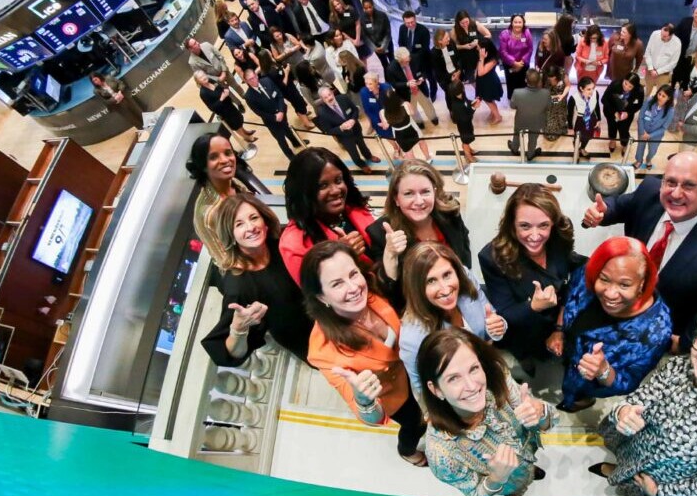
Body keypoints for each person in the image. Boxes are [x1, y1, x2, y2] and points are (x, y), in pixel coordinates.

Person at [592, 302, 697, 496]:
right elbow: (642, 396)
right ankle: (617, 468)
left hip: (651, 477)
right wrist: (624, 411)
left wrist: (660, 492)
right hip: (633, 444)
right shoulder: (678, 366)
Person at [582, 150, 697, 337]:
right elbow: (622, 205)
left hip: (652, 332)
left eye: (689, 186)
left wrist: (682, 343)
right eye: (671, 182)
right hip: (612, 303)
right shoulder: (650, 190)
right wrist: (603, 212)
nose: (676, 193)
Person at [301, 241, 428, 466]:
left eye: (353, 274)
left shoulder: (371, 291)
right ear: (321, 297)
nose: (353, 287)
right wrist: (364, 399)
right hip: (394, 396)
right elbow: (370, 417)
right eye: (337, 284)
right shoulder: (323, 351)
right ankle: (406, 451)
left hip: (413, 370)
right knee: (415, 424)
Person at [418, 329, 556, 496]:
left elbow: (546, 422)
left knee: (528, 469)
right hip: (508, 483)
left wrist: (539, 413)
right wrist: (497, 478)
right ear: (436, 389)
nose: (471, 385)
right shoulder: (441, 454)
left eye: (474, 368)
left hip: (528, 451)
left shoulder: (498, 378)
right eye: (453, 378)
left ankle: (530, 471)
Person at [551, 236, 673, 411]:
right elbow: (570, 295)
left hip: (591, 382)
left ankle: (580, 400)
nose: (610, 294)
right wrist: (559, 329)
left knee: (579, 395)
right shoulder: (588, 273)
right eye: (605, 279)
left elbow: (628, 381)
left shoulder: (656, 331)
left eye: (624, 285)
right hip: (569, 355)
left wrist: (603, 371)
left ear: (642, 284)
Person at [479, 184, 587, 365]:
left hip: (559, 318)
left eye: (543, 225)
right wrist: (534, 307)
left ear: (553, 222)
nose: (535, 236)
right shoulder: (492, 257)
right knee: (531, 358)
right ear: (512, 225)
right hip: (525, 330)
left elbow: (569, 264)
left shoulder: (559, 235)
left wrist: (559, 327)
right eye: (525, 226)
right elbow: (505, 311)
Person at [201, 194, 312, 365]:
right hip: (314, 346)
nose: (251, 227)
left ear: (265, 221)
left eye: (254, 218)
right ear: (231, 234)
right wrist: (238, 329)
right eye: (239, 224)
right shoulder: (239, 286)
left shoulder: (282, 242)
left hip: (340, 320)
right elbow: (228, 354)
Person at [397, 242, 506, 395]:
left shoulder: (465, 278)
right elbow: (423, 391)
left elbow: (491, 318)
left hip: (490, 368)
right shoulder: (413, 338)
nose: (445, 288)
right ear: (417, 288)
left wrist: (497, 328)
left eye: (447, 275)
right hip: (463, 395)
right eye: (431, 281)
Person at [366, 159, 472, 292]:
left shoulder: (449, 211)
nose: (419, 201)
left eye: (425, 192)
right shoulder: (380, 233)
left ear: (435, 191)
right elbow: (392, 293)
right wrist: (390, 255)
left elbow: (464, 244)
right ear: (396, 199)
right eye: (408, 193)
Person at [279, 148, 376, 283]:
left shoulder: (353, 207)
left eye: (338, 180)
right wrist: (339, 255)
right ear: (303, 191)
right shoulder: (294, 243)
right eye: (323, 185)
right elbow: (315, 293)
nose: (336, 190)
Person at [188, 131, 256, 262]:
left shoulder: (232, 183)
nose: (225, 160)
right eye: (213, 157)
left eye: (228, 153)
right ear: (203, 165)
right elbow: (224, 259)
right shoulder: (209, 213)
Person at [240, 68, 303, 159]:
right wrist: (274, 117)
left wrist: (281, 111)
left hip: (282, 113)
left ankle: (296, 143)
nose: (254, 80)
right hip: (271, 121)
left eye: (254, 77)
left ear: (256, 75)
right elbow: (259, 112)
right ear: (246, 81)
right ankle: (291, 157)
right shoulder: (249, 97)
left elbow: (279, 95)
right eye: (250, 79)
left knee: (287, 128)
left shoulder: (267, 81)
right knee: (281, 140)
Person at [314, 85, 376, 170]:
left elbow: (355, 110)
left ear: (332, 93)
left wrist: (353, 120)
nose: (329, 98)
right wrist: (341, 128)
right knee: (353, 152)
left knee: (362, 145)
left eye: (329, 94)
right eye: (325, 97)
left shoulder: (343, 98)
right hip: (344, 137)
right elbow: (327, 130)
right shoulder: (322, 113)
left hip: (356, 129)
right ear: (322, 99)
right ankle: (361, 165)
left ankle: (368, 156)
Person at [388, 46, 439, 128]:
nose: (408, 63)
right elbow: (394, 84)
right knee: (413, 110)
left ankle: (433, 118)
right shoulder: (391, 69)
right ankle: (419, 123)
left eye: (408, 60)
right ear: (398, 61)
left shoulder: (415, 58)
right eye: (405, 62)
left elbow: (425, 70)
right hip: (407, 93)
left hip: (420, 88)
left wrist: (422, 77)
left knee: (427, 105)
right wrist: (407, 84)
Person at [509, 68, 551, 160]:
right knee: (533, 138)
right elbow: (548, 107)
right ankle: (530, 153)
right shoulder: (546, 93)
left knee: (517, 134)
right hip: (537, 120)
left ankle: (514, 148)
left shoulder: (517, 92)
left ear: (525, 80)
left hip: (521, 120)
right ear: (539, 80)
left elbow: (512, 106)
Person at [602, 73, 644, 156]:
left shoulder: (639, 91)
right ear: (623, 79)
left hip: (627, 113)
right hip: (611, 110)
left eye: (630, 86)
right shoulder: (615, 84)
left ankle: (625, 144)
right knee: (612, 126)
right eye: (625, 83)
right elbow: (604, 99)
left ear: (635, 87)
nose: (626, 88)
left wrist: (628, 113)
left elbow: (638, 105)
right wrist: (614, 112)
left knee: (624, 130)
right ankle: (612, 140)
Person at [633, 85, 673, 171]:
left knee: (652, 150)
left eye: (663, 96)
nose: (660, 97)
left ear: (668, 98)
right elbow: (640, 117)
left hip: (656, 135)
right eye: (659, 94)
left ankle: (648, 160)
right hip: (643, 130)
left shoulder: (670, 110)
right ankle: (638, 160)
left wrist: (650, 135)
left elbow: (664, 127)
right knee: (640, 147)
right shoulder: (649, 101)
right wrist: (642, 131)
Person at [381, 86, 426, 160]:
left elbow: (386, 126)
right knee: (422, 142)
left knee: (408, 152)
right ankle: (428, 158)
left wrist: (383, 124)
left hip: (398, 134)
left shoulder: (382, 112)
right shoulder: (405, 105)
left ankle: (416, 166)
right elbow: (412, 113)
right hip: (411, 129)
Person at [444, 75, 479, 164]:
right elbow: (465, 117)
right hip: (463, 125)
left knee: (468, 138)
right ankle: (468, 156)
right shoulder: (456, 106)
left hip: (467, 123)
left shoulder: (461, 95)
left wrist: (473, 102)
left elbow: (466, 102)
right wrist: (474, 108)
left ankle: (469, 149)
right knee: (465, 141)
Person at [497, 14, 535, 97]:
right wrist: (514, 63)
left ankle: (522, 98)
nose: (517, 24)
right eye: (515, 22)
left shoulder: (527, 33)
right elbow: (503, 51)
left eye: (520, 22)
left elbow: (530, 49)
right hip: (510, 64)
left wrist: (522, 62)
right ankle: (512, 99)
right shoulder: (504, 34)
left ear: (523, 23)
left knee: (523, 82)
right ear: (511, 23)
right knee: (511, 82)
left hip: (523, 64)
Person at [640, 23, 681, 94]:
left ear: (671, 35)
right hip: (650, 71)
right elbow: (648, 52)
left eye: (664, 36)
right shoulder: (655, 34)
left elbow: (673, 63)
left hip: (664, 74)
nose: (661, 37)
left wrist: (658, 72)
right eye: (661, 34)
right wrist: (651, 68)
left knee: (661, 94)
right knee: (646, 92)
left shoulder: (677, 43)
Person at [568, 76, 602, 157]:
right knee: (577, 137)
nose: (592, 91)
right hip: (580, 120)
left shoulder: (596, 93)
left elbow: (597, 106)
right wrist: (570, 128)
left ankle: (582, 148)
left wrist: (599, 119)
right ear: (581, 88)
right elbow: (569, 114)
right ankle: (576, 150)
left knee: (588, 136)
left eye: (593, 88)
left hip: (591, 117)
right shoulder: (573, 98)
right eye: (589, 89)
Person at [541, 74, 572, 154]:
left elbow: (568, 85)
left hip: (560, 100)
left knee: (561, 115)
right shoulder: (543, 74)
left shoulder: (563, 74)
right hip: (548, 102)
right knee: (550, 133)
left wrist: (562, 96)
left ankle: (561, 128)